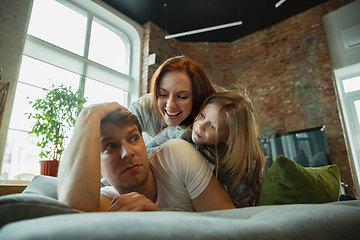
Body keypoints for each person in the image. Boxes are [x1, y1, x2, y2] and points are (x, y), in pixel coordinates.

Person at [57, 102, 235, 212]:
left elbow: (228, 223)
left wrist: (160, 216)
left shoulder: (175, 155)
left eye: (134, 138)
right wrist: (89, 114)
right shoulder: (109, 200)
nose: (127, 153)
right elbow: (73, 211)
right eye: (111, 146)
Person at [191, 91, 267, 207]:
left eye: (212, 126)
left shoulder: (237, 174)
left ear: (228, 138)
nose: (200, 125)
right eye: (202, 115)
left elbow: (242, 204)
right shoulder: (181, 134)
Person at [129, 55, 216, 154]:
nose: (170, 105)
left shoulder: (212, 110)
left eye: (182, 96)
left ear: (198, 97)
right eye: (163, 94)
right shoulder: (145, 106)